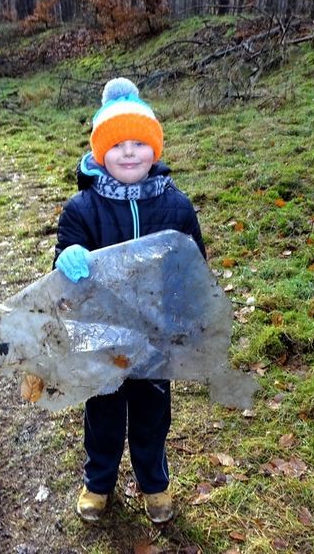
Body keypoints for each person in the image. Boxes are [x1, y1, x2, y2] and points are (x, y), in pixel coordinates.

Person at [54, 78, 206, 524]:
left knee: (151, 416)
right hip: (102, 336)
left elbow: (192, 264)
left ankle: (154, 484)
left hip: (155, 338)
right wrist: (68, 256)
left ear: (154, 150)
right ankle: (98, 483)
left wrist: (186, 314)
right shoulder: (82, 208)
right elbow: (64, 262)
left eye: (139, 143)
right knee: (103, 414)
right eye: (117, 145)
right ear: (101, 152)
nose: (129, 153)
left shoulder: (176, 206)